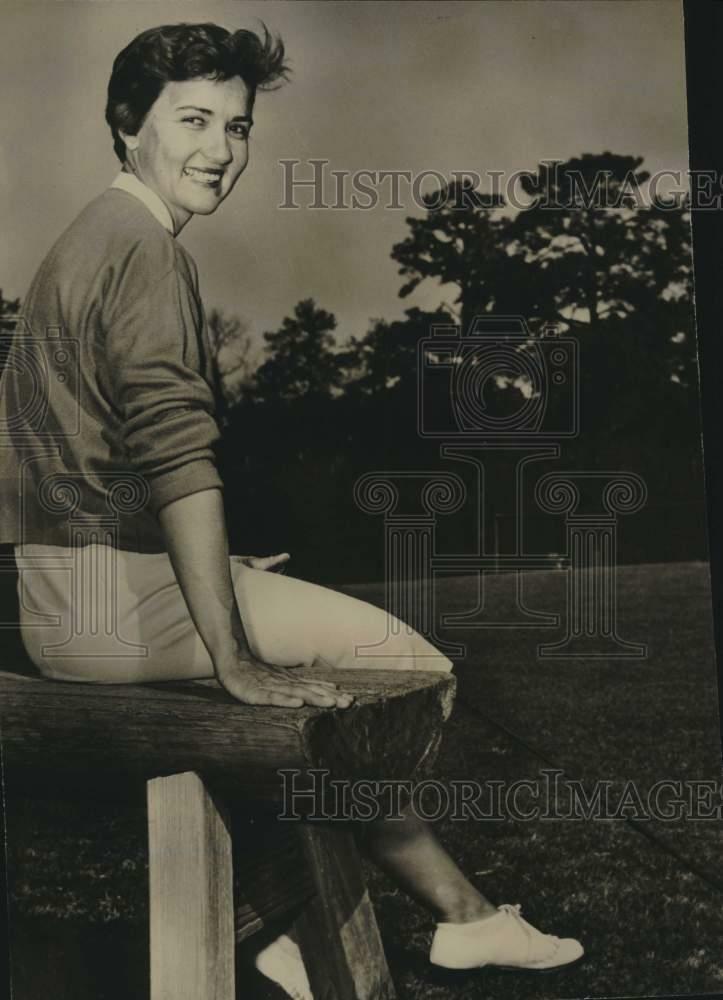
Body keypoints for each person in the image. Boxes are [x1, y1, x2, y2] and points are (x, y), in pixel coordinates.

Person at [0, 21, 583, 996]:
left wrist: (218, 574)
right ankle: (349, 915)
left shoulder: (83, 241)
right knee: (410, 669)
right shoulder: (142, 250)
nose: (220, 151)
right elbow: (181, 459)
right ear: (125, 123)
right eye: (193, 120)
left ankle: (450, 916)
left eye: (237, 125)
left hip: (69, 594)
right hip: (100, 612)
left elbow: (77, 471)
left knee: (315, 675)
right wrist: (230, 653)